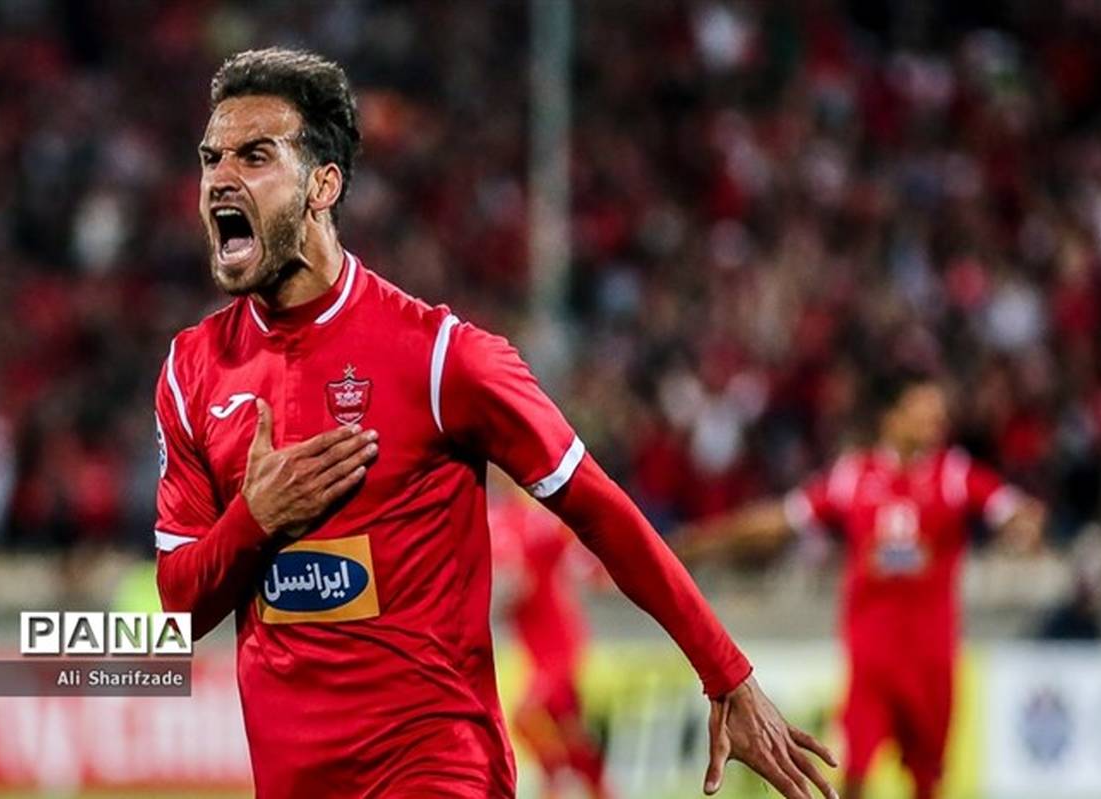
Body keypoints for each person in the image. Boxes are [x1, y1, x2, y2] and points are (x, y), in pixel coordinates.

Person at [153, 47, 835, 799]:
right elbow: (180, 604)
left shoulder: (443, 358)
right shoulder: (191, 372)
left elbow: (601, 510)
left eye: (255, 156)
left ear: (323, 185)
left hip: (436, 768)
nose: (220, 177)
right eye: (211, 158)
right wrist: (254, 520)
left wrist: (726, 672)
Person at [675, 371, 1046, 799]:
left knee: (928, 783)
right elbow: (778, 522)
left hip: (932, 661)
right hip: (872, 662)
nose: (936, 420)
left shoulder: (954, 475)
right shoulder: (854, 476)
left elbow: (1018, 510)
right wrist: (704, 541)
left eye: (938, 412)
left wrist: (1025, 528)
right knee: (852, 775)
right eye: (924, 410)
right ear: (892, 417)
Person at [488, 476, 611, 798]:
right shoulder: (496, 518)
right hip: (537, 647)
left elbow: (576, 556)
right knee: (570, 731)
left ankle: (556, 777)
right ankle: (596, 789)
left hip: (561, 642)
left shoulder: (537, 517)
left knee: (526, 715)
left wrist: (600, 572)